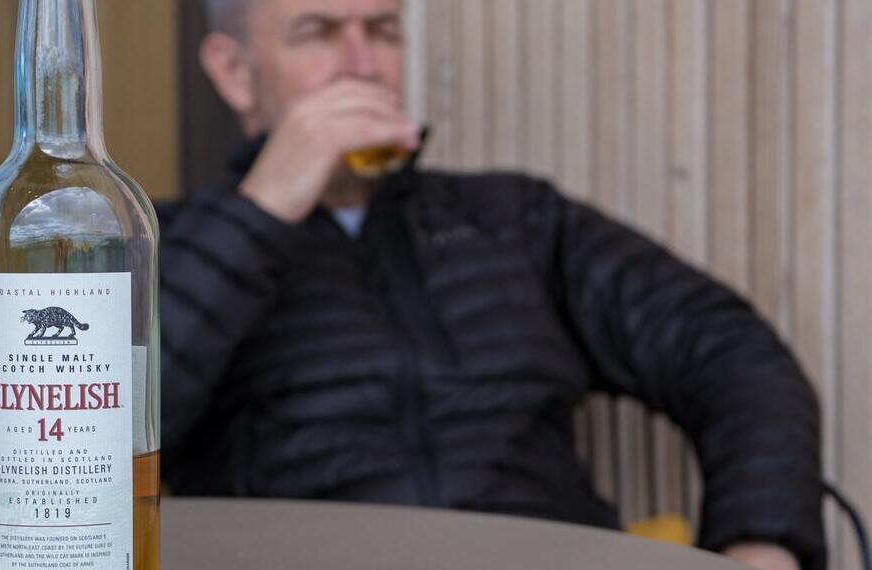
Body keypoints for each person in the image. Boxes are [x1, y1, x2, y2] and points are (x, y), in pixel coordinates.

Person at [158, 1, 825, 569]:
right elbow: (116, 419)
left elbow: (731, 350)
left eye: (383, 31)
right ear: (235, 72)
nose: (363, 65)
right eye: (318, 32)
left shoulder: (513, 219)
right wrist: (260, 210)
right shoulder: (166, 245)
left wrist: (761, 540)